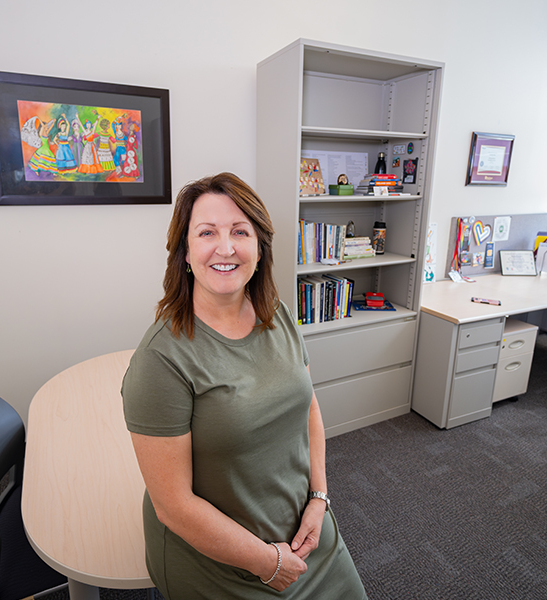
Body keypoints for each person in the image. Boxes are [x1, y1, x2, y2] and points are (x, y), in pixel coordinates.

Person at [122, 173, 367, 599]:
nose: (226, 247)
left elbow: (308, 407)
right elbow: (174, 507)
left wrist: (319, 497)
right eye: (207, 233)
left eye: (240, 231)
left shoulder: (278, 314)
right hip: (221, 558)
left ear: (259, 247)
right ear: (184, 252)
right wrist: (267, 563)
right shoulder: (161, 360)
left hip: (305, 528)